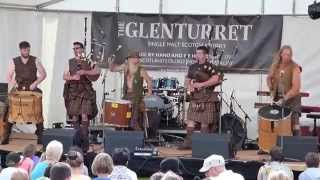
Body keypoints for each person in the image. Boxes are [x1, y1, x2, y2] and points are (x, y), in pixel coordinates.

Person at [5, 41, 47, 144]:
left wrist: (35, 83)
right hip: (19, 88)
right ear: (20, 50)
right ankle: (6, 135)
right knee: (11, 111)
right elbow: (8, 76)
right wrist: (14, 84)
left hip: (31, 88)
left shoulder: (35, 60)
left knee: (38, 109)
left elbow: (43, 74)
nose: (26, 51)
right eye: (24, 50)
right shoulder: (14, 61)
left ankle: (40, 134)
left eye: (28, 49)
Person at [179, 46, 221, 149]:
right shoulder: (192, 67)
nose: (197, 55)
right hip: (195, 97)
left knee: (204, 122)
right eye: (196, 53)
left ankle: (203, 144)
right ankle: (188, 142)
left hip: (207, 96)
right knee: (191, 120)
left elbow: (216, 79)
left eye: (200, 53)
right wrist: (189, 87)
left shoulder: (211, 67)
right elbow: (187, 80)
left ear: (206, 55)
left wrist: (202, 84)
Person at [63, 41, 100, 152]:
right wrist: (73, 77)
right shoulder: (70, 62)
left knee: (84, 116)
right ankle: (76, 143)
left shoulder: (88, 60)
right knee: (74, 117)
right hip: (73, 92)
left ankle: (85, 144)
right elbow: (64, 76)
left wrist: (85, 71)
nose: (76, 50)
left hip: (85, 92)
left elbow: (97, 71)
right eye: (74, 48)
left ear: (83, 49)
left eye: (78, 48)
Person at [110, 51, 152, 130]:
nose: (136, 60)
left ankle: (139, 135)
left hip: (137, 97)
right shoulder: (125, 67)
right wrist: (110, 62)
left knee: (134, 120)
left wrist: (149, 92)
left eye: (137, 58)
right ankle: (121, 134)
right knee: (120, 115)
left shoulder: (141, 70)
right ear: (129, 59)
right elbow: (113, 69)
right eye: (134, 58)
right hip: (127, 96)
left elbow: (149, 80)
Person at [267, 45, 301, 135]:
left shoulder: (295, 67)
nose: (287, 56)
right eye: (285, 54)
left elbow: (296, 88)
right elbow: (269, 78)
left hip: (293, 100)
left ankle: (297, 144)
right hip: (278, 98)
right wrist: (271, 90)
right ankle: (274, 145)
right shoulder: (275, 66)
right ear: (281, 54)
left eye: (289, 55)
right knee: (276, 121)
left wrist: (285, 98)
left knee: (295, 123)